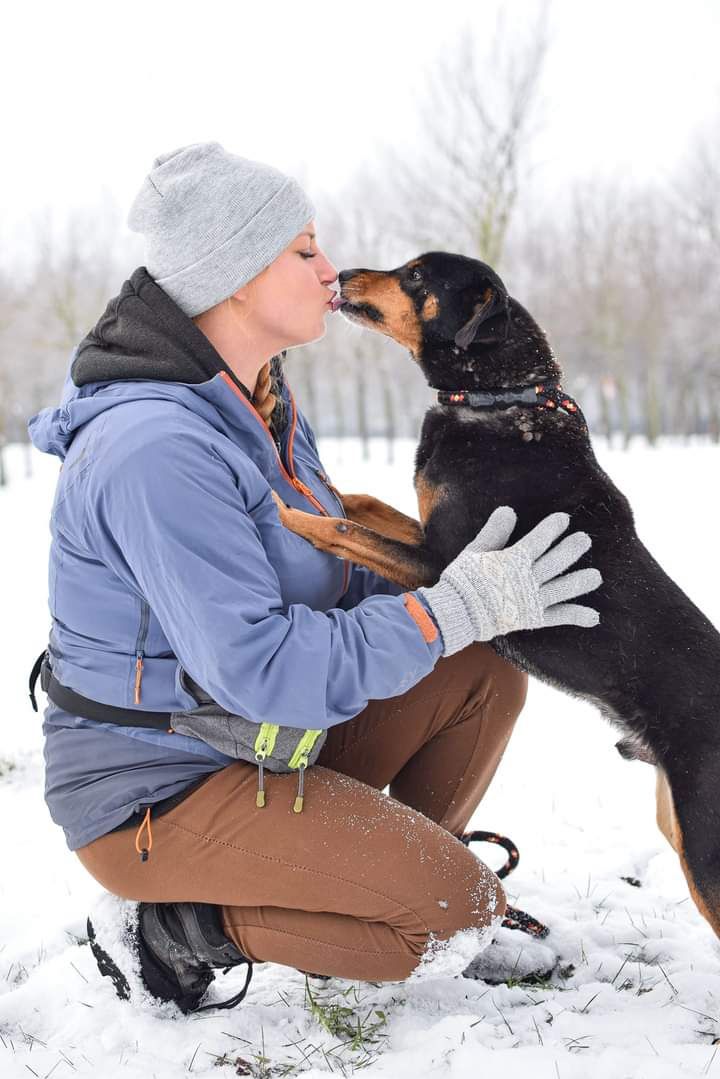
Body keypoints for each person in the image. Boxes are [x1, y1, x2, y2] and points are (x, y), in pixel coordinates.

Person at [27, 142, 602, 1015]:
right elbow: (262, 666)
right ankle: (173, 930)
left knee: (484, 662)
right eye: (302, 249)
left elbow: (329, 583)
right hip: (160, 786)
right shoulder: (156, 448)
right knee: (456, 915)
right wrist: (444, 610)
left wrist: (468, 597)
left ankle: (384, 883)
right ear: (234, 279)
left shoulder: (257, 403)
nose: (330, 269)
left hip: (260, 735)